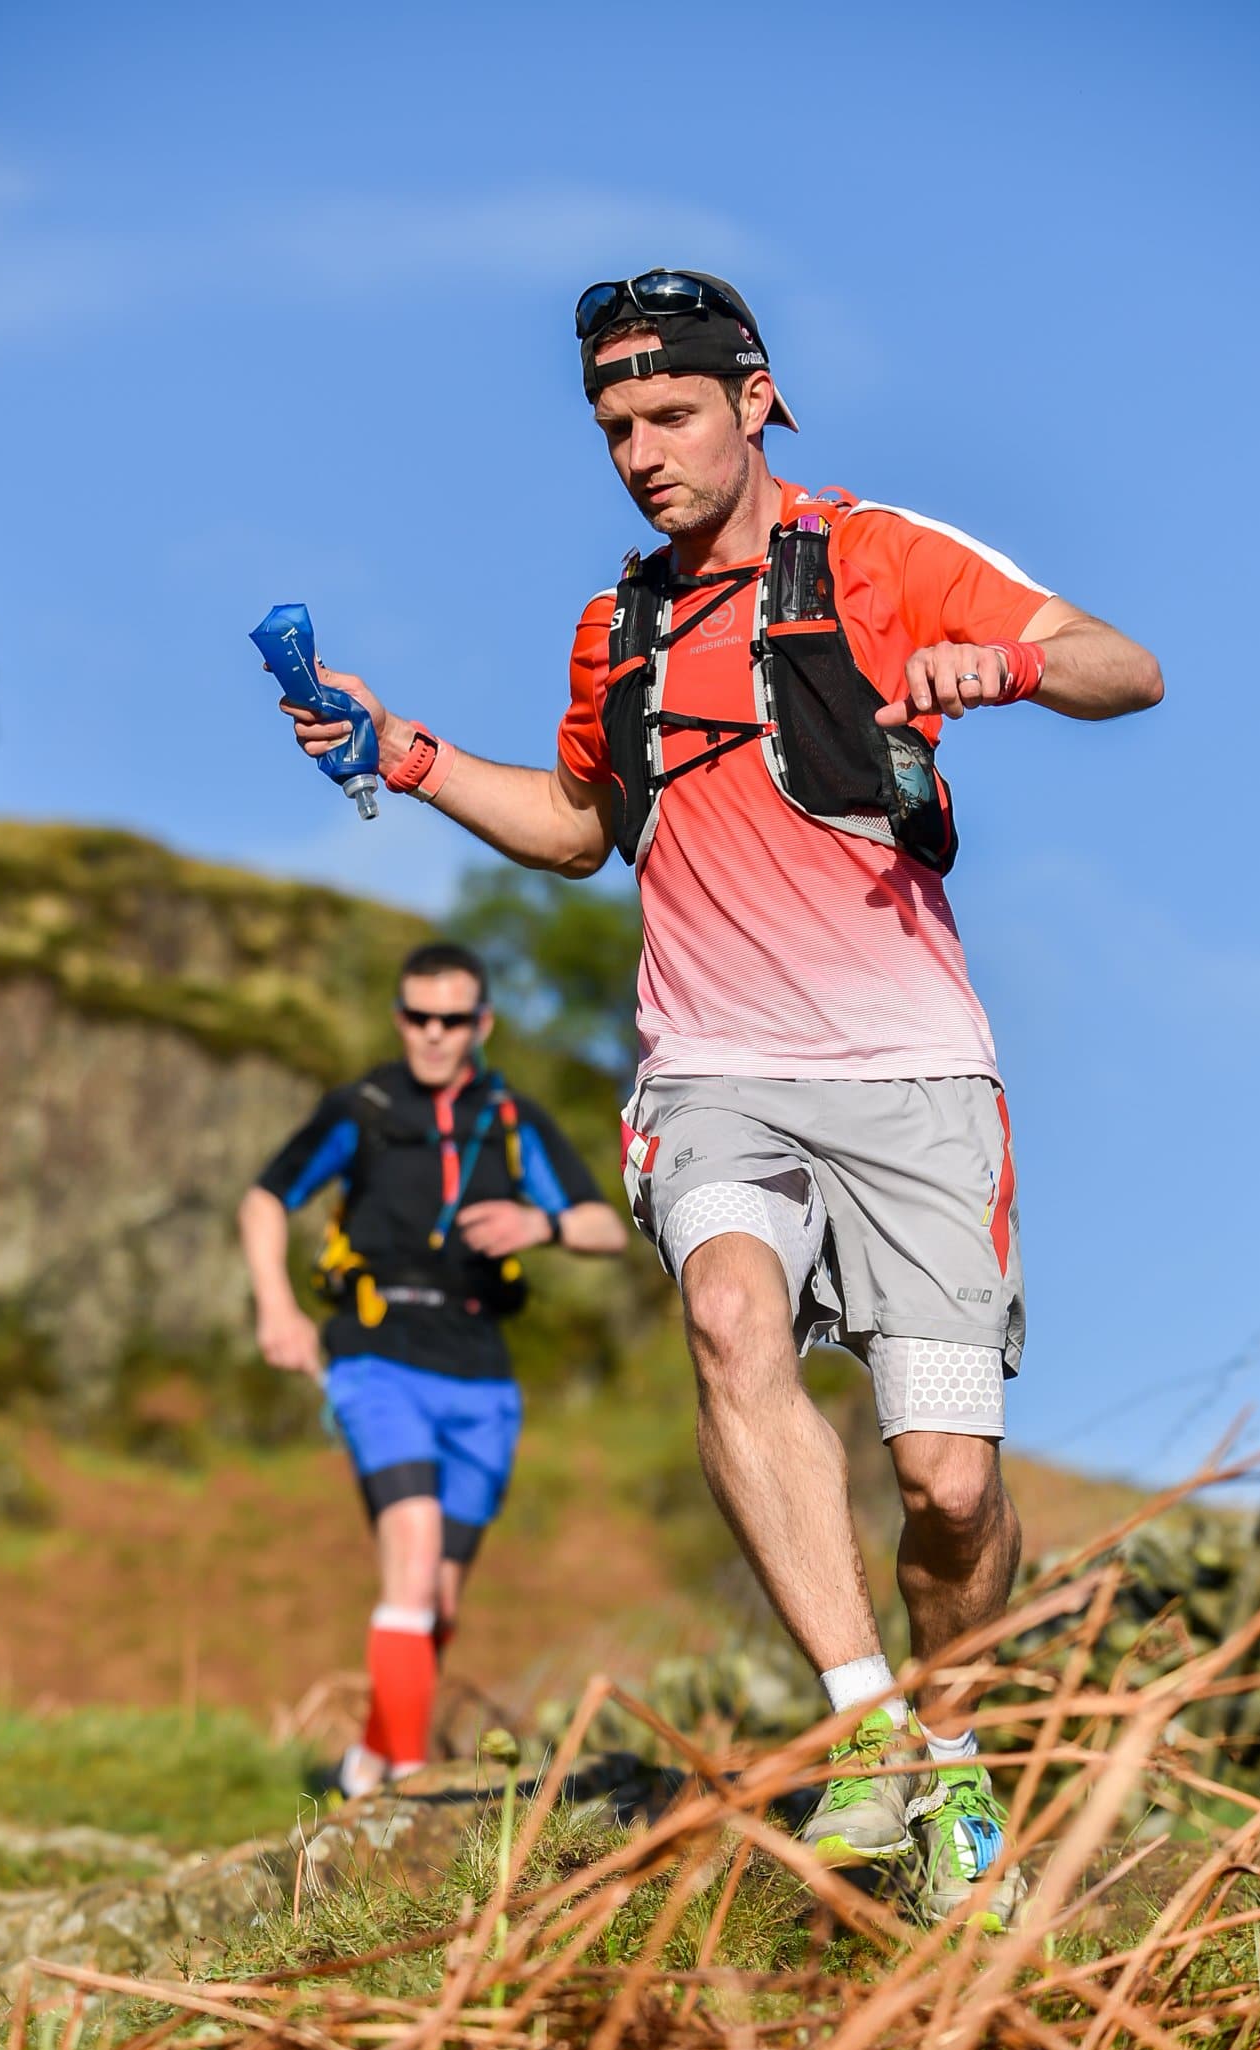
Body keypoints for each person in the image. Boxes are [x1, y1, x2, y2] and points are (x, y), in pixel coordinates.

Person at [277, 270, 1163, 1919]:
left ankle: (955, 1750)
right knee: (732, 1323)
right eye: (613, 425)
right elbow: (574, 823)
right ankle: (864, 1727)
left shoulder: (874, 558)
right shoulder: (614, 626)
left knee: (950, 1488)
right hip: (710, 1066)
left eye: (668, 414)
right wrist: (401, 754)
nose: (638, 451)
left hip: (911, 1070)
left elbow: (1125, 665)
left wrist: (1006, 671)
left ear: (754, 399)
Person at [239, 940, 625, 1798]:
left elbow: (604, 1223)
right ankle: (411, 1789)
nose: (435, 1035)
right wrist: (276, 1305)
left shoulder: (515, 1120)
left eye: (453, 1020)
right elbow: (267, 1196)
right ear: (399, 1017)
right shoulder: (364, 1108)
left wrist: (542, 1227)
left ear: (481, 1024)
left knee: (439, 1601)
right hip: (377, 1355)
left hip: (483, 1372)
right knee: (409, 1553)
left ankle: (368, 1763)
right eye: (419, 1017)